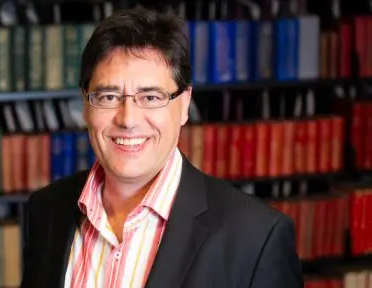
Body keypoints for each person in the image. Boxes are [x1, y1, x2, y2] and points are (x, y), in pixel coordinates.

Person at [20, 5, 303, 288]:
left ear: (183, 104)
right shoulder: (46, 211)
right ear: (86, 105)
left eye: (151, 97)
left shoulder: (257, 237)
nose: (128, 119)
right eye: (108, 97)